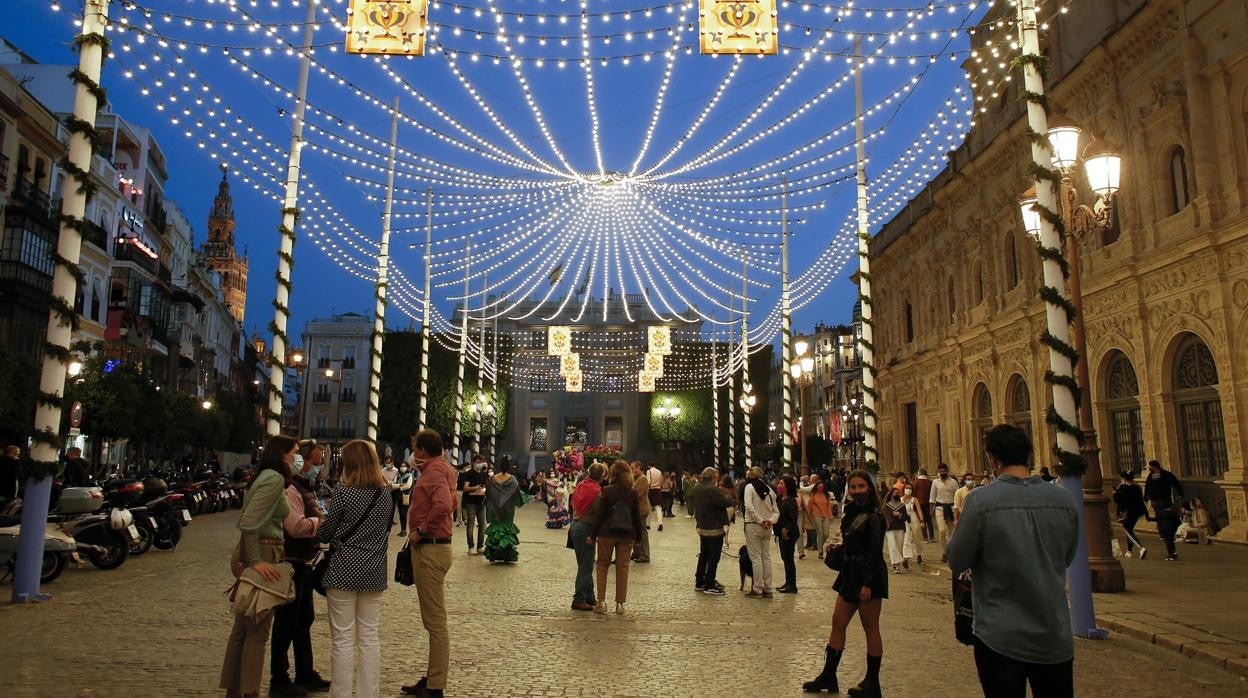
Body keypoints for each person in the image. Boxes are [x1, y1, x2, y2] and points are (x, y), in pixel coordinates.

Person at [947, 424, 1079, 698]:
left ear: (993, 459)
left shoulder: (980, 501)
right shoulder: (1064, 499)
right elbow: (1067, 556)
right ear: (1028, 455)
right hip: (1053, 632)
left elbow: (957, 559)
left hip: (1000, 633)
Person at [221, 434, 296, 698]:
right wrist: (256, 562)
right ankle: (250, 691)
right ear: (282, 454)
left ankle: (234, 688)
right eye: (293, 452)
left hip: (259, 547)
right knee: (258, 628)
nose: (295, 457)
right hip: (264, 548)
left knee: (242, 628)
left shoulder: (261, 476)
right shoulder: (274, 479)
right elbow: (250, 521)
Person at [319, 440, 394, 698]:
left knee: (342, 638)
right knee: (369, 636)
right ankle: (367, 694)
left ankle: (339, 694)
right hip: (373, 570)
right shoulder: (385, 493)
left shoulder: (343, 492)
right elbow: (384, 529)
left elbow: (326, 533)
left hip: (343, 569)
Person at [802, 470, 887, 696]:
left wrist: (868, 583)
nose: (857, 491)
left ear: (869, 488)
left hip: (869, 575)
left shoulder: (875, 515)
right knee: (837, 622)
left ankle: (872, 682)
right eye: (853, 487)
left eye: (861, 486)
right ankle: (828, 676)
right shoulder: (850, 512)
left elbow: (875, 551)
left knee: (870, 627)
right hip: (850, 573)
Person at [269, 442, 328, 697]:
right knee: (287, 622)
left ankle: (305, 671)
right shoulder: (291, 488)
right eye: (314, 463)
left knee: (304, 619)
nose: (317, 468)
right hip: (291, 559)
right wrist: (319, 521)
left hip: (305, 560)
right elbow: (295, 526)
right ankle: (279, 677)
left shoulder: (307, 486)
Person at [402, 429, 457, 698]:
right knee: (433, 619)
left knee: (435, 621)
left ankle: (436, 685)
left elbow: (444, 505)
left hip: (431, 548)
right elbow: (452, 501)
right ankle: (433, 675)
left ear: (422, 450)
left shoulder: (434, 472)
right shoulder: (444, 469)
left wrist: (420, 530)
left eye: (414, 447)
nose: (413, 452)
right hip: (438, 548)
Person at [590, 461, 645, 614]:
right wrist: (639, 537)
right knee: (623, 567)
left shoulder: (606, 491)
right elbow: (636, 517)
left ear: (612, 474)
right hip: (627, 534)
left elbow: (600, 515)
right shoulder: (633, 493)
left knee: (602, 565)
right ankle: (620, 604)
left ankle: (601, 602)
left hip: (606, 533)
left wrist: (592, 535)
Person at [569, 461, 606, 610]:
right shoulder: (597, 491)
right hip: (586, 528)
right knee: (586, 566)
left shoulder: (580, 485)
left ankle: (589, 596)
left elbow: (572, 503)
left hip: (575, 526)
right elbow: (599, 514)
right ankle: (578, 599)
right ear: (602, 477)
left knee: (583, 563)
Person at [690, 466, 734, 596]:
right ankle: (709, 584)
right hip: (714, 528)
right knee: (714, 557)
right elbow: (727, 502)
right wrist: (727, 494)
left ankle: (700, 581)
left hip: (703, 526)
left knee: (704, 555)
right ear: (714, 477)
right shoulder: (711, 489)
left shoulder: (697, 487)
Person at [742, 466, 779, 598]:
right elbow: (776, 510)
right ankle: (768, 588)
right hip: (767, 527)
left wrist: (760, 521)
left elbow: (749, 507)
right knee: (766, 557)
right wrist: (770, 521)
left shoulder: (749, 488)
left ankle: (757, 588)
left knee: (756, 557)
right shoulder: (769, 490)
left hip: (754, 525)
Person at [483, 458, 523, 562]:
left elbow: (488, 493)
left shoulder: (493, 478)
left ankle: (493, 553)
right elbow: (517, 493)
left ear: (499, 466)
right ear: (509, 467)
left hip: (496, 508)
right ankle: (506, 555)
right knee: (506, 528)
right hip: (508, 509)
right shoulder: (513, 479)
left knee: (496, 527)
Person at [1144, 460, 1185, 561]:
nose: (1148, 468)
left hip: (1164, 500)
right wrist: (1146, 497)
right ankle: (1163, 531)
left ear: (1154, 466)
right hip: (1155, 501)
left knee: (1164, 517)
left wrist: (1180, 493)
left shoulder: (1166, 474)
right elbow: (1147, 486)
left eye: (1149, 466)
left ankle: (1166, 532)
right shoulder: (1151, 475)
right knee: (1160, 517)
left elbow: (1176, 483)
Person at [1112, 471, 1148, 558]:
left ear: (1123, 478)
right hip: (1136, 512)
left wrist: (1114, 493)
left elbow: (1118, 499)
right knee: (1130, 530)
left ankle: (1141, 548)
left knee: (1128, 531)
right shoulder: (1136, 487)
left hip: (1126, 513)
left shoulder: (1123, 487)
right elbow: (1141, 501)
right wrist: (1146, 514)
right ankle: (1129, 551)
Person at [775, 476, 800, 593]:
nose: (779, 485)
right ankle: (788, 582)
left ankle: (792, 585)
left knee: (789, 559)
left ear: (787, 486)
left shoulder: (790, 500)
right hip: (781, 533)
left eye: (781, 483)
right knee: (785, 558)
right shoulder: (780, 499)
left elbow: (793, 518)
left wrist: (786, 529)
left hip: (789, 533)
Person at [458, 457, 487, 555]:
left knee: (482, 525)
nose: (480, 464)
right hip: (470, 502)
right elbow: (465, 488)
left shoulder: (483, 474)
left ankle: (480, 546)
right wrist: (475, 488)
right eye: (478, 462)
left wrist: (483, 490)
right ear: (474, 463)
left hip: (481, 502)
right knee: (471, 524)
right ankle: (471, 546)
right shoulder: (468, 474)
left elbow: (483, 486)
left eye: (481, 462)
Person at [929, 463, 958, 557]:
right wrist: (931, 510)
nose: (942, 473)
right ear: (938, 472)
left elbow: (957, 496)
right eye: (941, 471)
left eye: (944, 471)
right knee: (942, 530)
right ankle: (944, 551)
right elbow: (932, 497)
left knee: (950, 531)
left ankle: (949, 550)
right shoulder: (935, 482)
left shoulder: (953, 482)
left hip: (951, 508)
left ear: (947, 471)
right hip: (940, 508)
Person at [629, 461, 654, 563]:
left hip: (641, 510)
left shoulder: (643, 479)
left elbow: (637, 494)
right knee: (635, 532)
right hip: (635, 510)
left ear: (639, 467)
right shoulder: (635, 478)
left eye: (633, 468)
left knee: (642, 533)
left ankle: (645, 555)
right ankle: (637, 552)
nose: (632, 470)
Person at [882, 489, 909, 574]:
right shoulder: (886, 506)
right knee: (892, 546)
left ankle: (900, 560)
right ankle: (895, 565)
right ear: (891, 494)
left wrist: (899, 515)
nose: (897, 494)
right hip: (890, 529)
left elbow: (906, 517)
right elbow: (884, 517)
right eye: (895, 493)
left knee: (899, 547)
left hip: (900, 528)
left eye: (898, 493)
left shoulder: (902, 505)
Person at [808, 481, 835, 559]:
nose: (820, 488)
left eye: (822, 487)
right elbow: (809, 506)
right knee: (820, 533)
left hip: (825, 515)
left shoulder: (826, 495)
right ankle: (820, 552)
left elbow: (828, 506)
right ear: (816, 487)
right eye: (819, 486)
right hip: (816, 515)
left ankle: (820, 545)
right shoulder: (813, 495)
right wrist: (808, 516)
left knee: (826, 534)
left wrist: (831, 516)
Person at [900, 483, 925, 565]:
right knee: (906, 538)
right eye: (906, 488)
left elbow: (919, 510)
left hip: (914, 519)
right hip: (904, 519)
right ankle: (906, 558)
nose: (908, 489)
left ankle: (919, 554)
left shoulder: (914, 499)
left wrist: (921, 521)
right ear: (904, 489)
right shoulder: (900, 500)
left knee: (916, 537)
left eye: (910, 488)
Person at [911, 469, 933, 542]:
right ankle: (932, 536)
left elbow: (913, 493)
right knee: (929, 520)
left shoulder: (915, 482)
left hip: (919, 503)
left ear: (919, 474)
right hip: (928, 502)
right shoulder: (930, 482)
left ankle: (925, 537)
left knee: (922, 520)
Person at [395, 460, 414, 537]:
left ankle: (404, 531)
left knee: (404, 513)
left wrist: (399, 487)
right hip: (399, 497)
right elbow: (394, 483)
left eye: (404, 466)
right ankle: (402, 530)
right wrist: (400, 485)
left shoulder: (409, 475)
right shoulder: (398, 475)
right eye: (401, 466)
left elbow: (408, 486)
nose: (402, 467)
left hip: (406, 497)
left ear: (407, 467)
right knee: (400, 513)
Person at [645, 460, 664, 531]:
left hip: (651, 490)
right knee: (658, 508)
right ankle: (660, 524)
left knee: (649, 508)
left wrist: (647, 491)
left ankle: (648, 524)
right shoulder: (659, 472)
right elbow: (661, 481)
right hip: (657, 490)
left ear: (649, 465)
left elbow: (648, 482)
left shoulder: (649, 471)